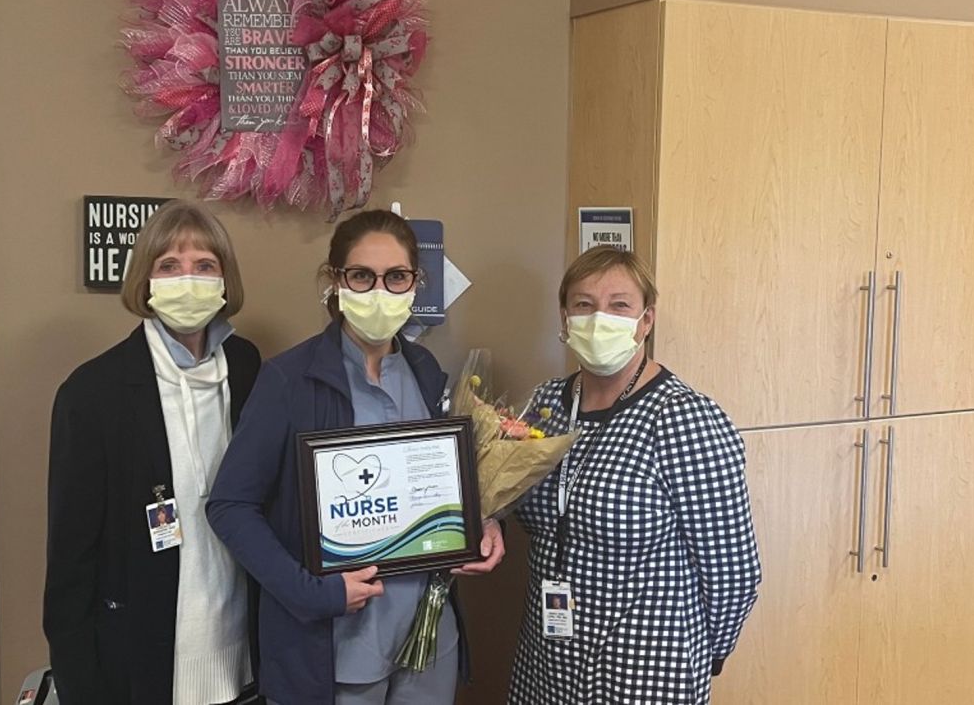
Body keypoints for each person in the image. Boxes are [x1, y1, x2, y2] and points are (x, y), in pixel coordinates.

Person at [206, 209, 505, 705]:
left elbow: (442, 483)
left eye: (396, 277)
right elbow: (231, 506)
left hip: (428, 640)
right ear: (335, 281)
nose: (379, 292)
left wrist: (481, 522)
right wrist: (309, 592)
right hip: (336, 646)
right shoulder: (288, 380)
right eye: (362, 276)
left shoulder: (425, 371)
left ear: (416, 284)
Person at [508, 246, 761, 705]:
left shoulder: (686, 420)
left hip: (645, 668)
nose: (599, 317)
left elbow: (733, 572)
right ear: (564, 318)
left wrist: (705, 655)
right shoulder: (546, 406)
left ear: (646, 320)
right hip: (548, 658)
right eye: (584, 304)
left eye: (619, 305)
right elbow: (512, 499)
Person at [43, 200, 262, 705]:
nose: (189, 280)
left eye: (205, 266)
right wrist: (79, 683)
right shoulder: (93, 393)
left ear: (226, 281)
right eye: (169, 266)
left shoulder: (249, 369)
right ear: (145, 281)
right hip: (143, 660)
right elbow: (71, 559)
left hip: (243, 651)